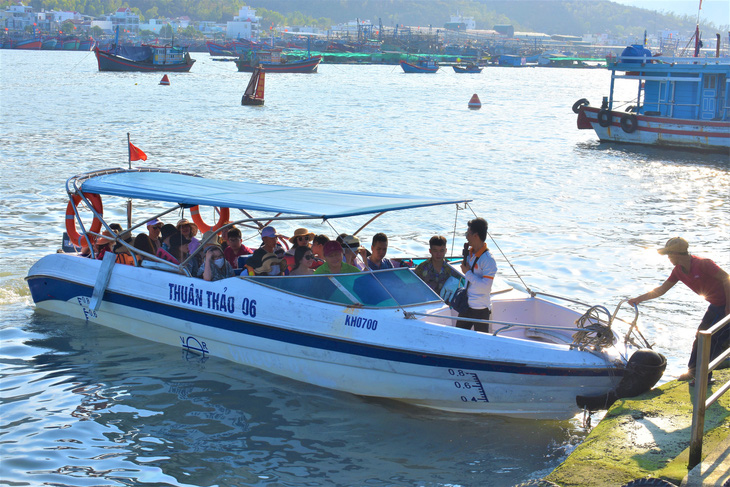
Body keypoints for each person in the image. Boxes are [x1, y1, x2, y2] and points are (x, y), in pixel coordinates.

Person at [628, 237, 730, 383]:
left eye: (669, 254)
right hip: (715, 304)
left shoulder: (703, 264)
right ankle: (692, 372)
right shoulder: (678, 271)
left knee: (714, 340)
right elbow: (661, 290)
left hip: (727, 304)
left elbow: (727, 279)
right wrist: (639, 299)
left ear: (677, 253)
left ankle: (704, 378)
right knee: (700, 337)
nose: (668, 258)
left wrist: (728, 307)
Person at [457, 218, 497, 333]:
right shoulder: (470, 253)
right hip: (466, 305)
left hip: (480, 308)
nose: (466, 236)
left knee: (482, 341)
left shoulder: (488, 259)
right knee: (458, 337)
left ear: (475, 235)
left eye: (467, 233)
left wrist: (468, 273)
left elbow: (485, 286)